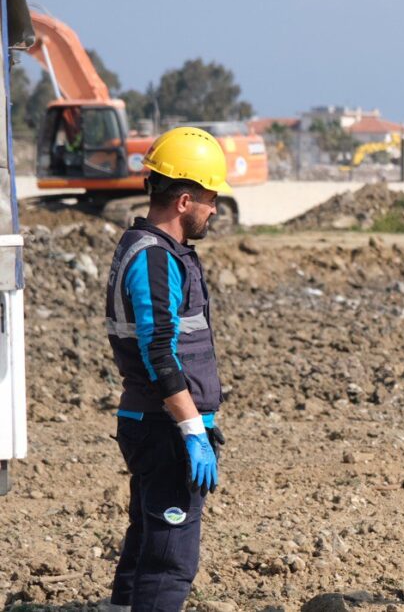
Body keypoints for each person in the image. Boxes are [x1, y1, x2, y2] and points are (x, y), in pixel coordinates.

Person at [103, 126, 231, 611]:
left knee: (144, 546)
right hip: (164, 429)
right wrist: (193, 430)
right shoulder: (154, 258)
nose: (214, 208)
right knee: (169, 562)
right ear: (183, 199)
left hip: (154, 424)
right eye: (210, 198)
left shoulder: (152, 250)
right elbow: (160, 353)